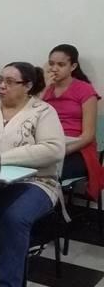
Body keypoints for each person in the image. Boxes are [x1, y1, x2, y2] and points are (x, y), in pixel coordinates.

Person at [0, 62, 65, 287]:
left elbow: (53, 149)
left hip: (36, 183)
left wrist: (1, 157)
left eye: (10, 82)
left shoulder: (42, 111)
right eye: (0, 81)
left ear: (27, 85)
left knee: (13, 217)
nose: (2, 86)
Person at [42, 44, 102, 197]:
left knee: (45, 173)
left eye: (61, 64)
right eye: (51, 64)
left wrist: (60, 151)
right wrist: (44, 88)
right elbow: (31, 115)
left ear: (73, 66)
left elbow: (88, 136)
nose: (54, 69)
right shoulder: (46, 90)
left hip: (78, 149)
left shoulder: (85, 90)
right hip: (48, 144)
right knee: (27, 169)